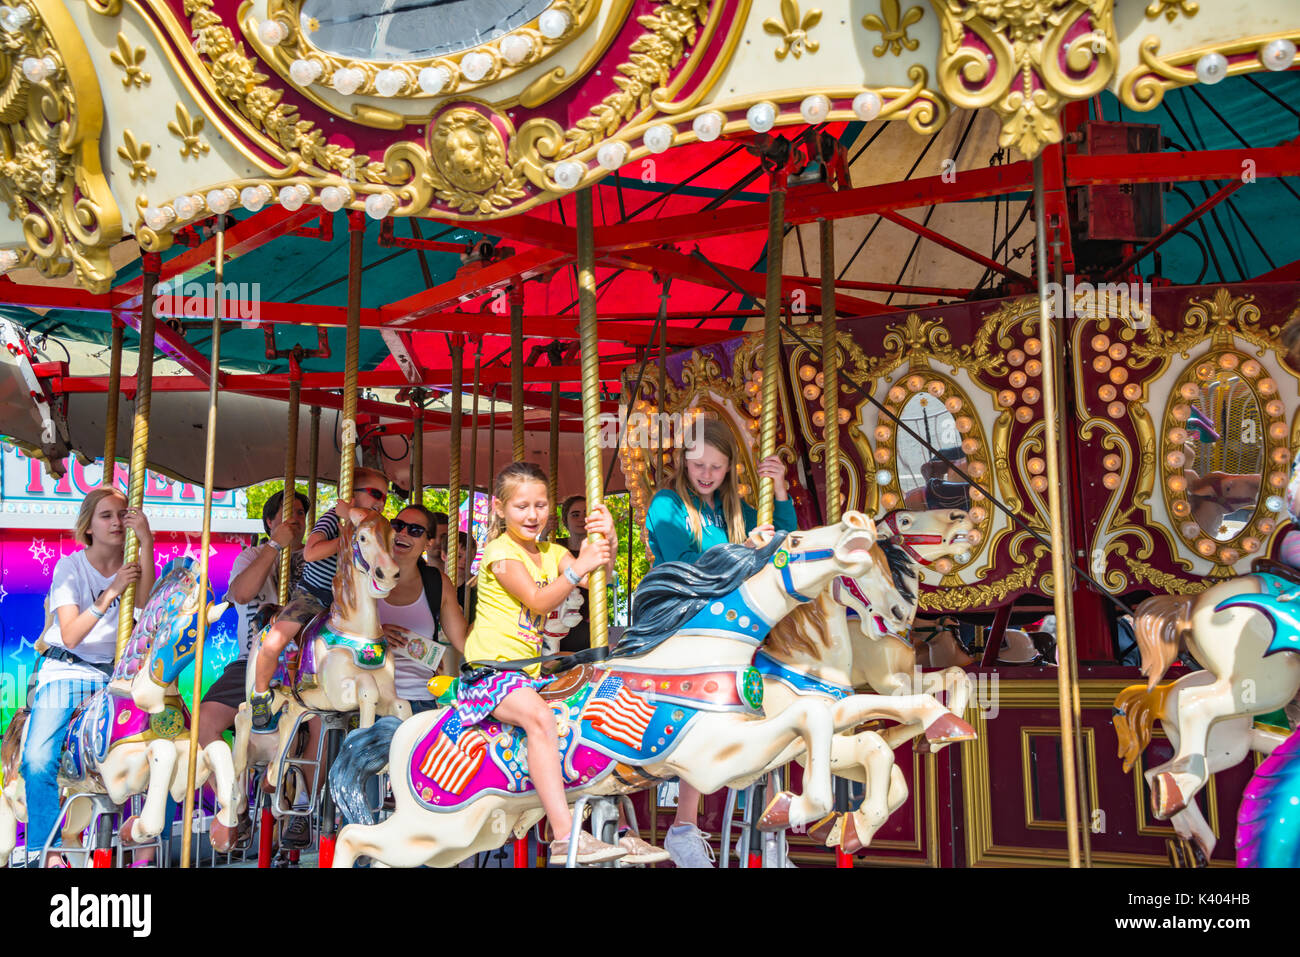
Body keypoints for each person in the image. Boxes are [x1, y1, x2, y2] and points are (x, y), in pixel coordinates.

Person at [456, 462, 663, 865]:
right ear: (500, 509)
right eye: (521, 507)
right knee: (540, 720)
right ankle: (565, 835)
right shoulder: (501, 552)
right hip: (490, 674)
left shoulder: (552, 553)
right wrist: (577, 567)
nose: (533, 515)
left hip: (529, 675)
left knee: (598, 715)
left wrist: (610, 541)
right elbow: (538, 600)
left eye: (540, 505)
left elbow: (601, 579)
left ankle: (620, 829)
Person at [644, 416, 797, 868]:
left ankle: (767, 837)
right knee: (704, 713)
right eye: (698, 466)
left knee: (774, 707)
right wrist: (744, 551)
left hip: (732, 628)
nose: (707, 474)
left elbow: (782, 544)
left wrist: (781, 493)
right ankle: (685, 827)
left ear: (730, 466)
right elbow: (685, 563)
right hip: (680, 621)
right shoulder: (668, 504)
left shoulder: (734, 508)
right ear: (683, 464)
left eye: (716, 466)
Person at [24, 487, 155, 867]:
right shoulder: (71, 568)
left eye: (121, 515)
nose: (116, 522)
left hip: (116, 675)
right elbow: (70, 635)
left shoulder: (134, 564)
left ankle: (143, 843)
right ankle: (45, 851)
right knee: (37, 759)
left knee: (161, 744)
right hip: (69, 669)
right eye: (106, 515)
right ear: (89, 527)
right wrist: (112, 592)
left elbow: (145, 609)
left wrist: (146, 541)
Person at [199, 488, 311, 846]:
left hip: (303, 665)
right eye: (287, 513)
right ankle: (232, 801)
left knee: (325, 717)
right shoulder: (252, 555)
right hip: (253, 661)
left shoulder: (315, 562)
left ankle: (302, 805)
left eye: (301, 513)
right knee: (204, 722)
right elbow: (242, 594)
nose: (295, 519)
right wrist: (275, 547)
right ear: (269, 522)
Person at [248, 467, 391, 729]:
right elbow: (311, 553)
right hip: (313, 596)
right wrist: (346, 538)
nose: (381, 502)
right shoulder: (332, 521)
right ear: (349, 495)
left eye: (385, 497)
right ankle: (259, 694)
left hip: (347, 603)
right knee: (275, 639)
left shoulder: (372, 527)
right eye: (375, 494)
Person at [379, 504, 468, 713]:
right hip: (370, 697)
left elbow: (464, 641)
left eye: (415, 530)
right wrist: (376, 633)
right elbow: (337, 629)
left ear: (428, 543)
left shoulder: (437, 583)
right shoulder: (364, 576)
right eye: (398, 525)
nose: (403, 533)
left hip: (420, 699)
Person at [556, 495, 591, 652]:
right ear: (565, 521)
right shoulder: (556, 548)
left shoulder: (595, 551)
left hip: (586, 618)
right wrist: (544, 535)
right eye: (575, 514)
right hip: (558, 618)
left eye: (586, 514)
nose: (581, 519)